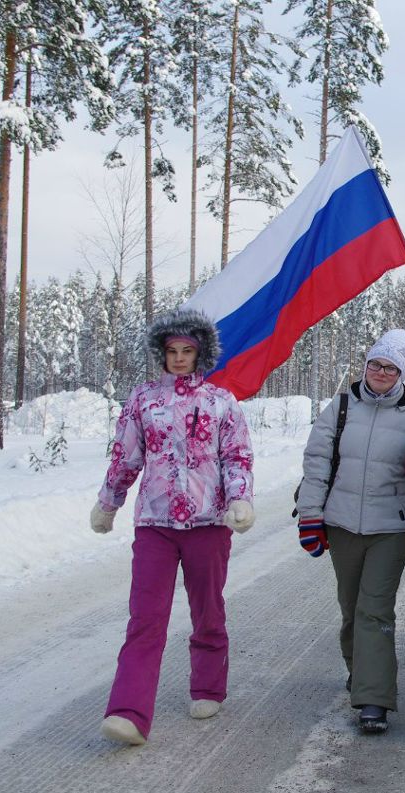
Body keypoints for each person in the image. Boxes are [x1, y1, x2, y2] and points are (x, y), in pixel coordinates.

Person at [92, 309, 255, 746]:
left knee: (207, 610)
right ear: (161, 354)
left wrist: (240, 497)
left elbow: (236, 456)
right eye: (172, 351)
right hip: (155, 523)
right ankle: (128, 711)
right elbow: (125, 456)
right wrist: (109, 502)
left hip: (207, 522)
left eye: (187, 351)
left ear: (200, 354)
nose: (179, 359)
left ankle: (207, 686)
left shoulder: (221, 401)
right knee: (145, 618)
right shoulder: (143, 399)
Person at [296, 329, 405, 735]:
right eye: (376, 364)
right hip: (342, 523)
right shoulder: (342, 407)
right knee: (351, 608)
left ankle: (374, 698)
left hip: (391, 527)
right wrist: (310, 516)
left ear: (402, 373)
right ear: (365, 366)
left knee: (374, 609)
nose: (382, 372)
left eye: (391, 367)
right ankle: (360, 670)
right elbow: (317, 462)